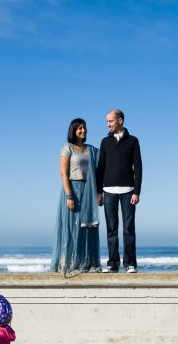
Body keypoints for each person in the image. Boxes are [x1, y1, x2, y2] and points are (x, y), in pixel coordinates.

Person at [51, 118, 102, 275]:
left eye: (85, 128)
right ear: (73, 131)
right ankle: (70, 263)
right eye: (79, 128)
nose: (83, 131)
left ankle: (86, 262)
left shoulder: (91, 150)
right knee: (72, 227)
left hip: (89, 191)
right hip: (72, 189)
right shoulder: (67, 149)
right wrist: (69, 195)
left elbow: (102, 168)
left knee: (87, 227)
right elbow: (63, 173)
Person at [95, 109, 142, 273]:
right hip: (108, 191)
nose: (107, 124)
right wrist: (98, 192)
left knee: (129, 228)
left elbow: (139, 167)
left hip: (129, 191)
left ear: (120, 120)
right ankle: (113, 263)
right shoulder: (104, 142)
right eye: (107, 121)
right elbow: (100, 168)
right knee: (111, 228)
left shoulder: (133, 141)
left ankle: (130, 263)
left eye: (110, 121)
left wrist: (137, 191)